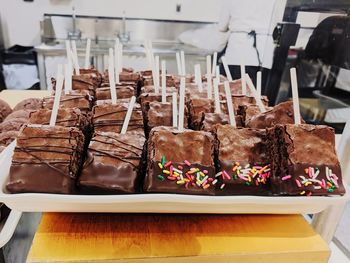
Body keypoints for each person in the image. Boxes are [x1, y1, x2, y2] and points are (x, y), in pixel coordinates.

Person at [218, 0, 282, 92]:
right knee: (258, 97)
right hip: (264, 55)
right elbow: (278, 21)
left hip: (238, 51)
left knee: (233, 94)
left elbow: (222, 26)